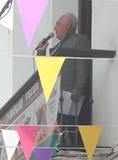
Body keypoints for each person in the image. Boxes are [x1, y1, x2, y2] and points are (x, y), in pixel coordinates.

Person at [37, 13, 92, 145]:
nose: (55, 27)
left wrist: (79, 87)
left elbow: (82, 64)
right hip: (58, 98)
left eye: (58, 23)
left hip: (71, 96)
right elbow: (47, 74)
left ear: (68, 25)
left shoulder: (79, 40)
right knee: (61, 130)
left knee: (71, 131)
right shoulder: (56, 47)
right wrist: (41, 52)